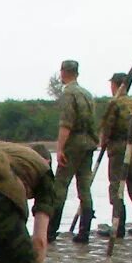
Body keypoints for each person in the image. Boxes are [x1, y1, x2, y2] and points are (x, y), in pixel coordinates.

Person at [98, 71, 132, 238]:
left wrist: (103, 142)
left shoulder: (115, 104)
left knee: (116, 186)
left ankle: (118, 227)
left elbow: (107, 127)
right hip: (131, 146)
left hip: (117, 148)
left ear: (117, 85)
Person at [51, 59, 96, 243]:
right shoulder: (87, 94)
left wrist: (60, 148)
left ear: (63, 72)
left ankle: (51, 231)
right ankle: (84, 231)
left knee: (59, 186)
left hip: (73, 143)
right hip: (88, 143)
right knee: (85, 187)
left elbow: (66, 124)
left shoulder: (68, 94)